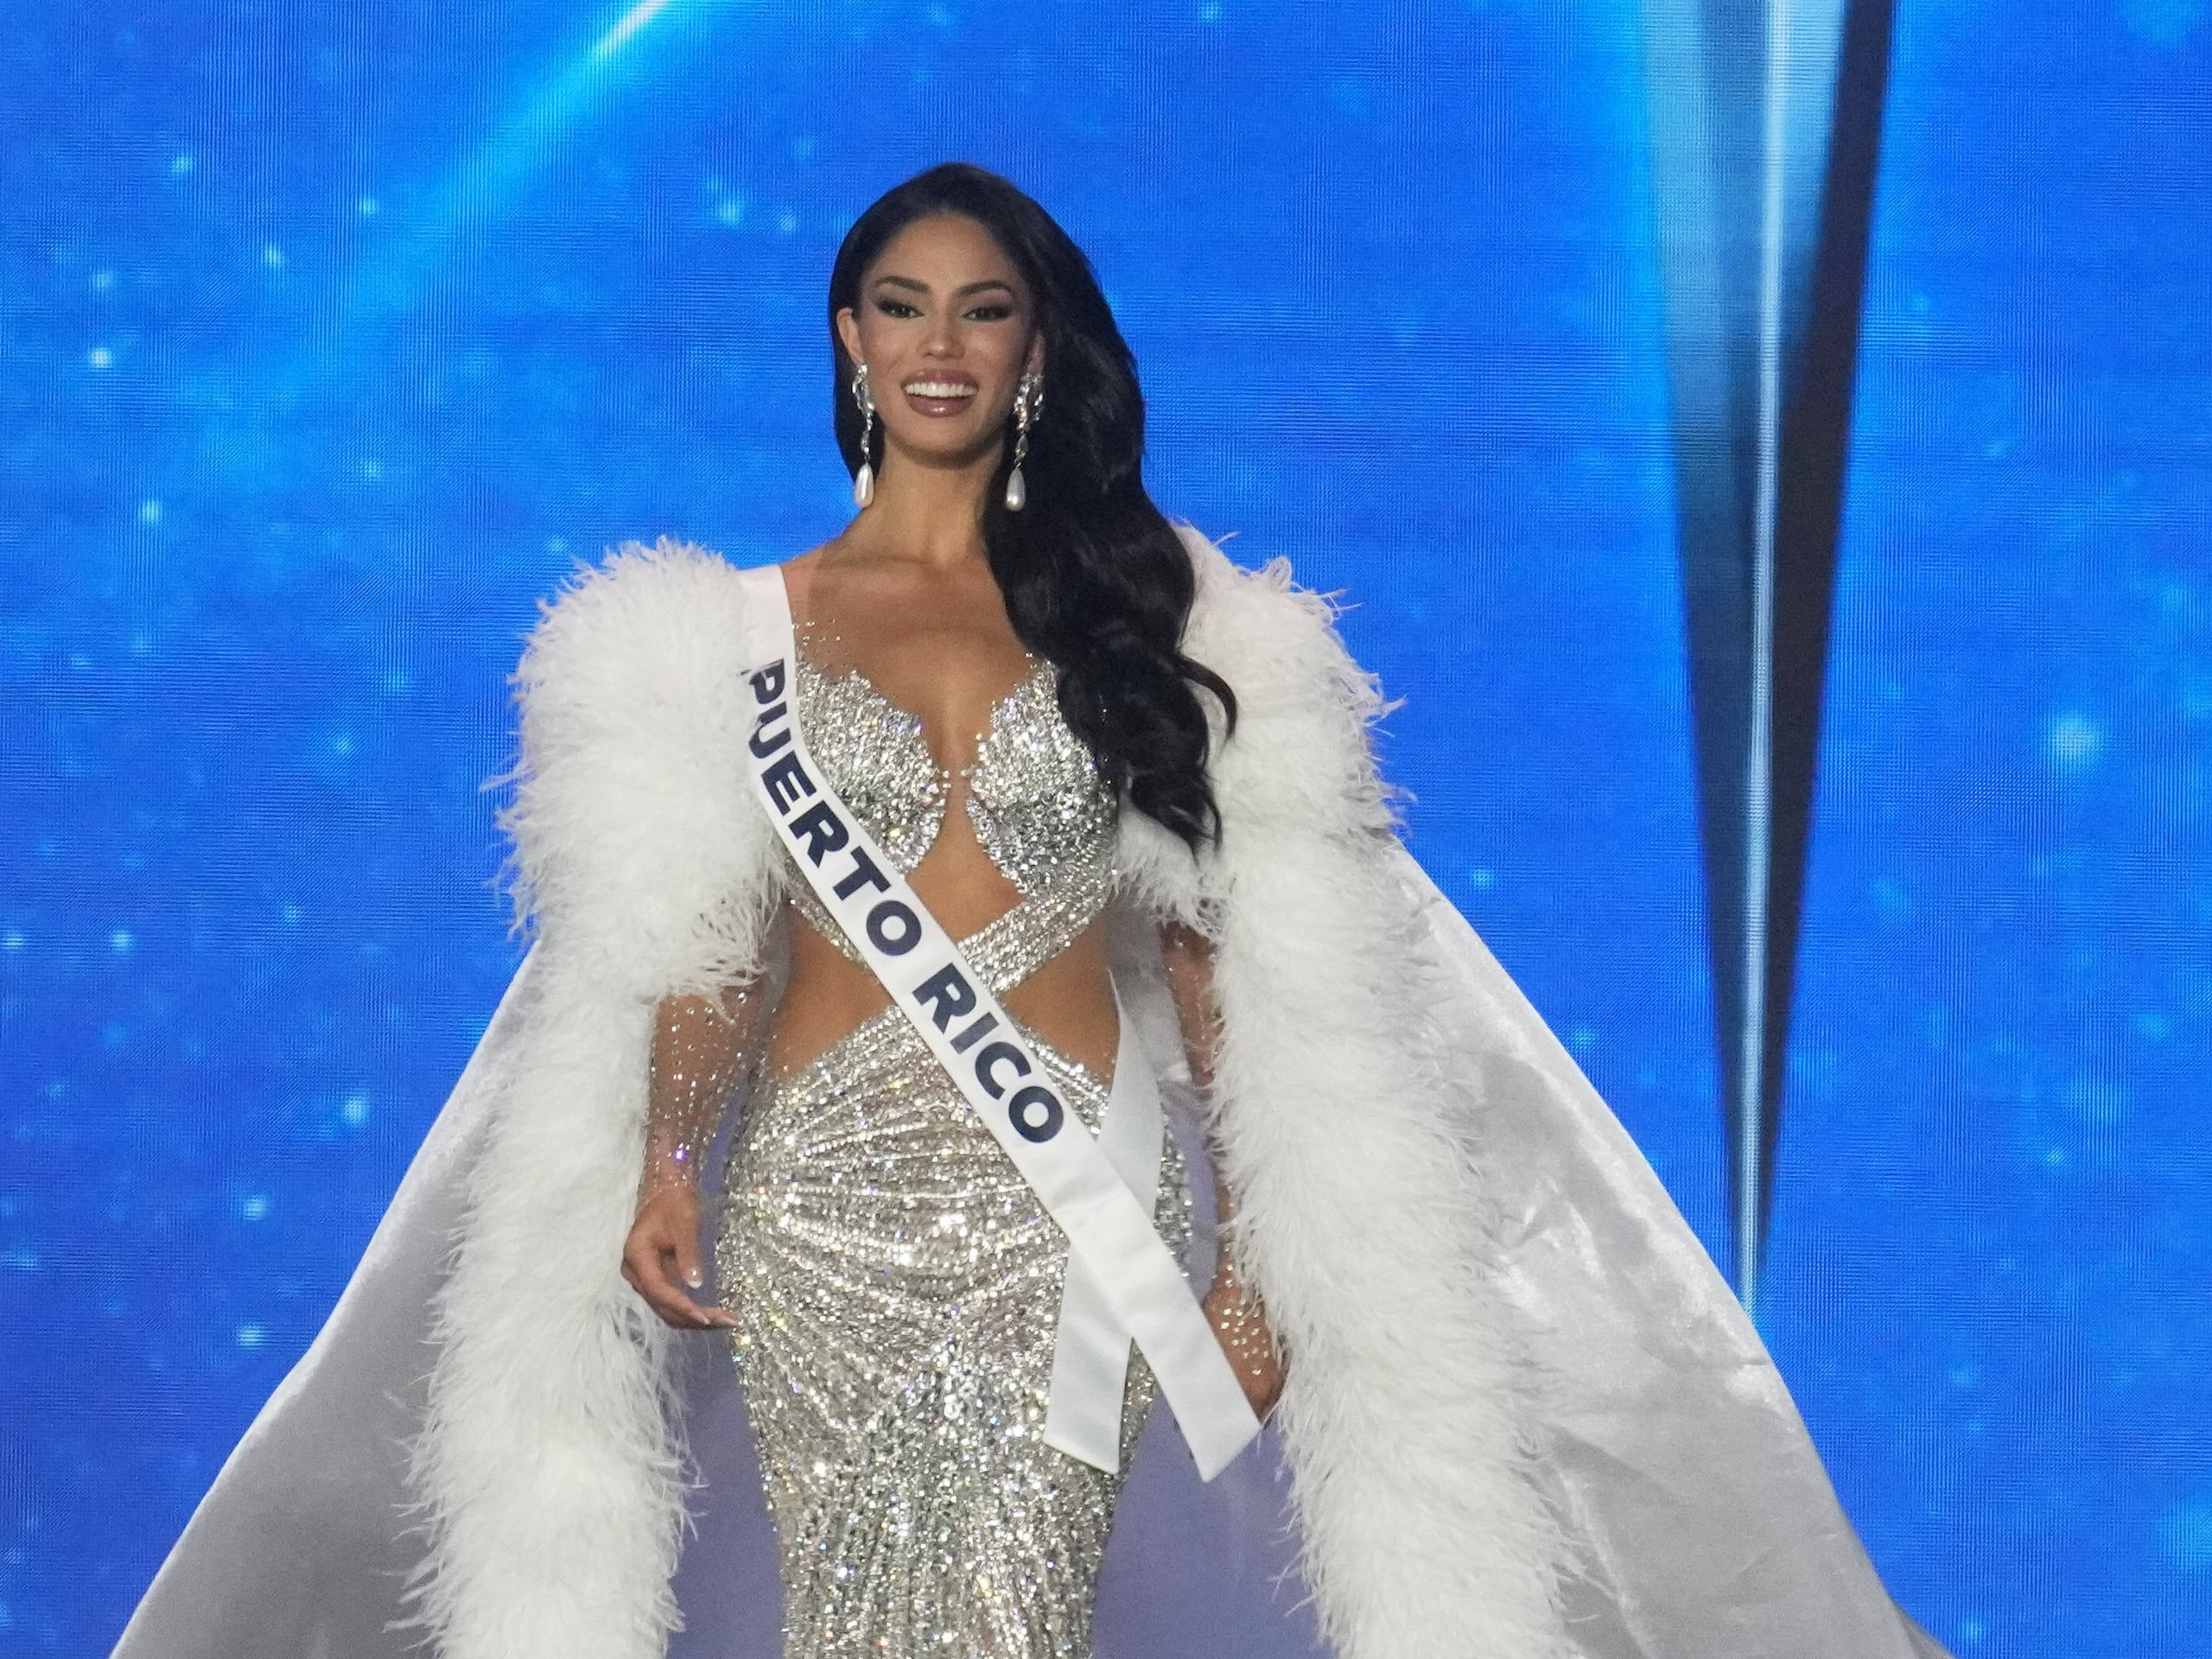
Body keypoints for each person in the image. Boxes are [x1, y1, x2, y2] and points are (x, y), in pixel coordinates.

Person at [111, 163, 1949, 1659]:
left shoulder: (1150, 621)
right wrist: (668, 1158)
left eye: (981, 310)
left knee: (1009, 1610)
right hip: (819, 1201)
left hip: (1074, 1207)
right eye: (900, 307)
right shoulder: (725, 637)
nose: (938, 344)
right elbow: (698, 936)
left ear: (1034, 352)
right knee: (856, 1617)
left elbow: (1235, 964)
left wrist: (1255, 1259)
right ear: (845, 341)